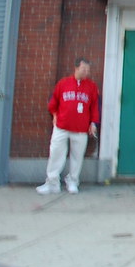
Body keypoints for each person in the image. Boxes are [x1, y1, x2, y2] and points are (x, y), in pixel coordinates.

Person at [36, 58, 100, 195]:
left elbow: (95, 106)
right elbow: (54, 102)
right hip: (62, 126)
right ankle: (52, 182)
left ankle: (73, 181)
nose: (86, 72)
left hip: (81, 128)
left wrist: (93, 123)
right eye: (84, 69)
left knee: (77, 156)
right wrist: (54, 114)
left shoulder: (91, 87)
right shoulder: (63, 84)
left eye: (88, 70)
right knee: (56, 154)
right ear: (76, 68)